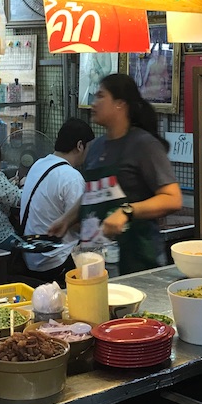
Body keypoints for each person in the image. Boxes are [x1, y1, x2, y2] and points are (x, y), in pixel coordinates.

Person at [53, 73, 182, 274]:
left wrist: (126, 212)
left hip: (138, 258)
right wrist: (66, 220)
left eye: (101, 96)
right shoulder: (95, 147)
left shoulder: (144, 145)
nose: (94, 103)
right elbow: (92, 194)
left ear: (120, 104)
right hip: (95, 260)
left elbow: (172, 199)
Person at [18, 119, 95, 284]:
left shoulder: (38, 164)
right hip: (55, 262)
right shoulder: (71, 177)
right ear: (80, 145)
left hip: (29, 258)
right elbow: (78, 224)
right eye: (89, 148)